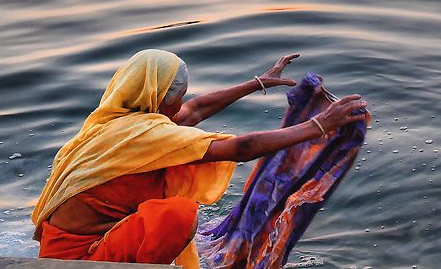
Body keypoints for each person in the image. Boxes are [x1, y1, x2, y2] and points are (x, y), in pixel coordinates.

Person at [32, 49, 366, 268]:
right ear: (160, 99)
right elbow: (242, 148)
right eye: (178, 95)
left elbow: (194, 110)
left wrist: (258, 82)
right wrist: (318, 125)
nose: (184, 102)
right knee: (179, 216)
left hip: (57, 249)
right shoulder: (148, 135)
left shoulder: (111, 122)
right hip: (81, 261)